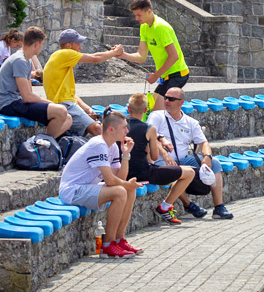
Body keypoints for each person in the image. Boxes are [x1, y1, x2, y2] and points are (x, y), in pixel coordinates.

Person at [57, 109, 143, 258]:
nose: (127, 131)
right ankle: (108, 245)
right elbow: (110, 180)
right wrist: (126, 184)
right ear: (111, 129)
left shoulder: (113, 146)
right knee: (120, 191)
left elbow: (119, 177)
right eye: (124, 127)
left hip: (85, 187)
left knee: (129, 190)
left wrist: (126, 155)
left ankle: (119, 240)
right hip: (72, 191)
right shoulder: (99, 144)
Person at [147, 88, 234, 219]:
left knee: (215, 163)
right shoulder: (157, 116)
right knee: (174, 171)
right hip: (162, 160)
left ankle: (219, 207)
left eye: (171, 99)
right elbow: (151, 137)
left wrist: (207, 156)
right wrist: (165, 154)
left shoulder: (190, 122)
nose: (166, 101)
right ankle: (188, 204)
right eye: (165, 98)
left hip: (183, 159)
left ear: (181, 102)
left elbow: (203, 142)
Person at [124, 93, 197, 225]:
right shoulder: (149, 128)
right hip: (143, 173)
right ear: (146, 110)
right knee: (190, 172)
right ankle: (165, 207)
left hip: (123, 172)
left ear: (128, 109)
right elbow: (154, 156)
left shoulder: (120, 125)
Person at [42, 29, 127, 138]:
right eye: (78, 44)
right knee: (98, 129)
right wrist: (114, 53)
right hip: (65, 105)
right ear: (68, 45)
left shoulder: (61, 58)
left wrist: (87, 109)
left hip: (65, 103)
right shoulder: (64, 53)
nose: (80, 48)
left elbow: (70, 95)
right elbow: (95, 58)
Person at [0, 27, 73, 138]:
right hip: (8, 105)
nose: (41, 48)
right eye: (41, 44)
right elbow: (27, 96)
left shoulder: (27, 60)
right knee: (60, 111)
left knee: (68, 119)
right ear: (37, 44)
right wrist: (50, 103)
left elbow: (29, 94)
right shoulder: (19, 60)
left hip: (18, 102)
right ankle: (42, 143)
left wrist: (49, 104)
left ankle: (45, 140)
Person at [129, 0, 190, 102]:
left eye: (139, 15)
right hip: (165, 76)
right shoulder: (144, 27)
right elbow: (141, 56)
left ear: (149, 11)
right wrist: (121, 54)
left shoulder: (160, 27)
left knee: (159, 107)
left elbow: (174, 56)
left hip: (178, 74)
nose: (136, 18)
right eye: (135, 15)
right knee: (154, 106)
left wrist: (155, 76)